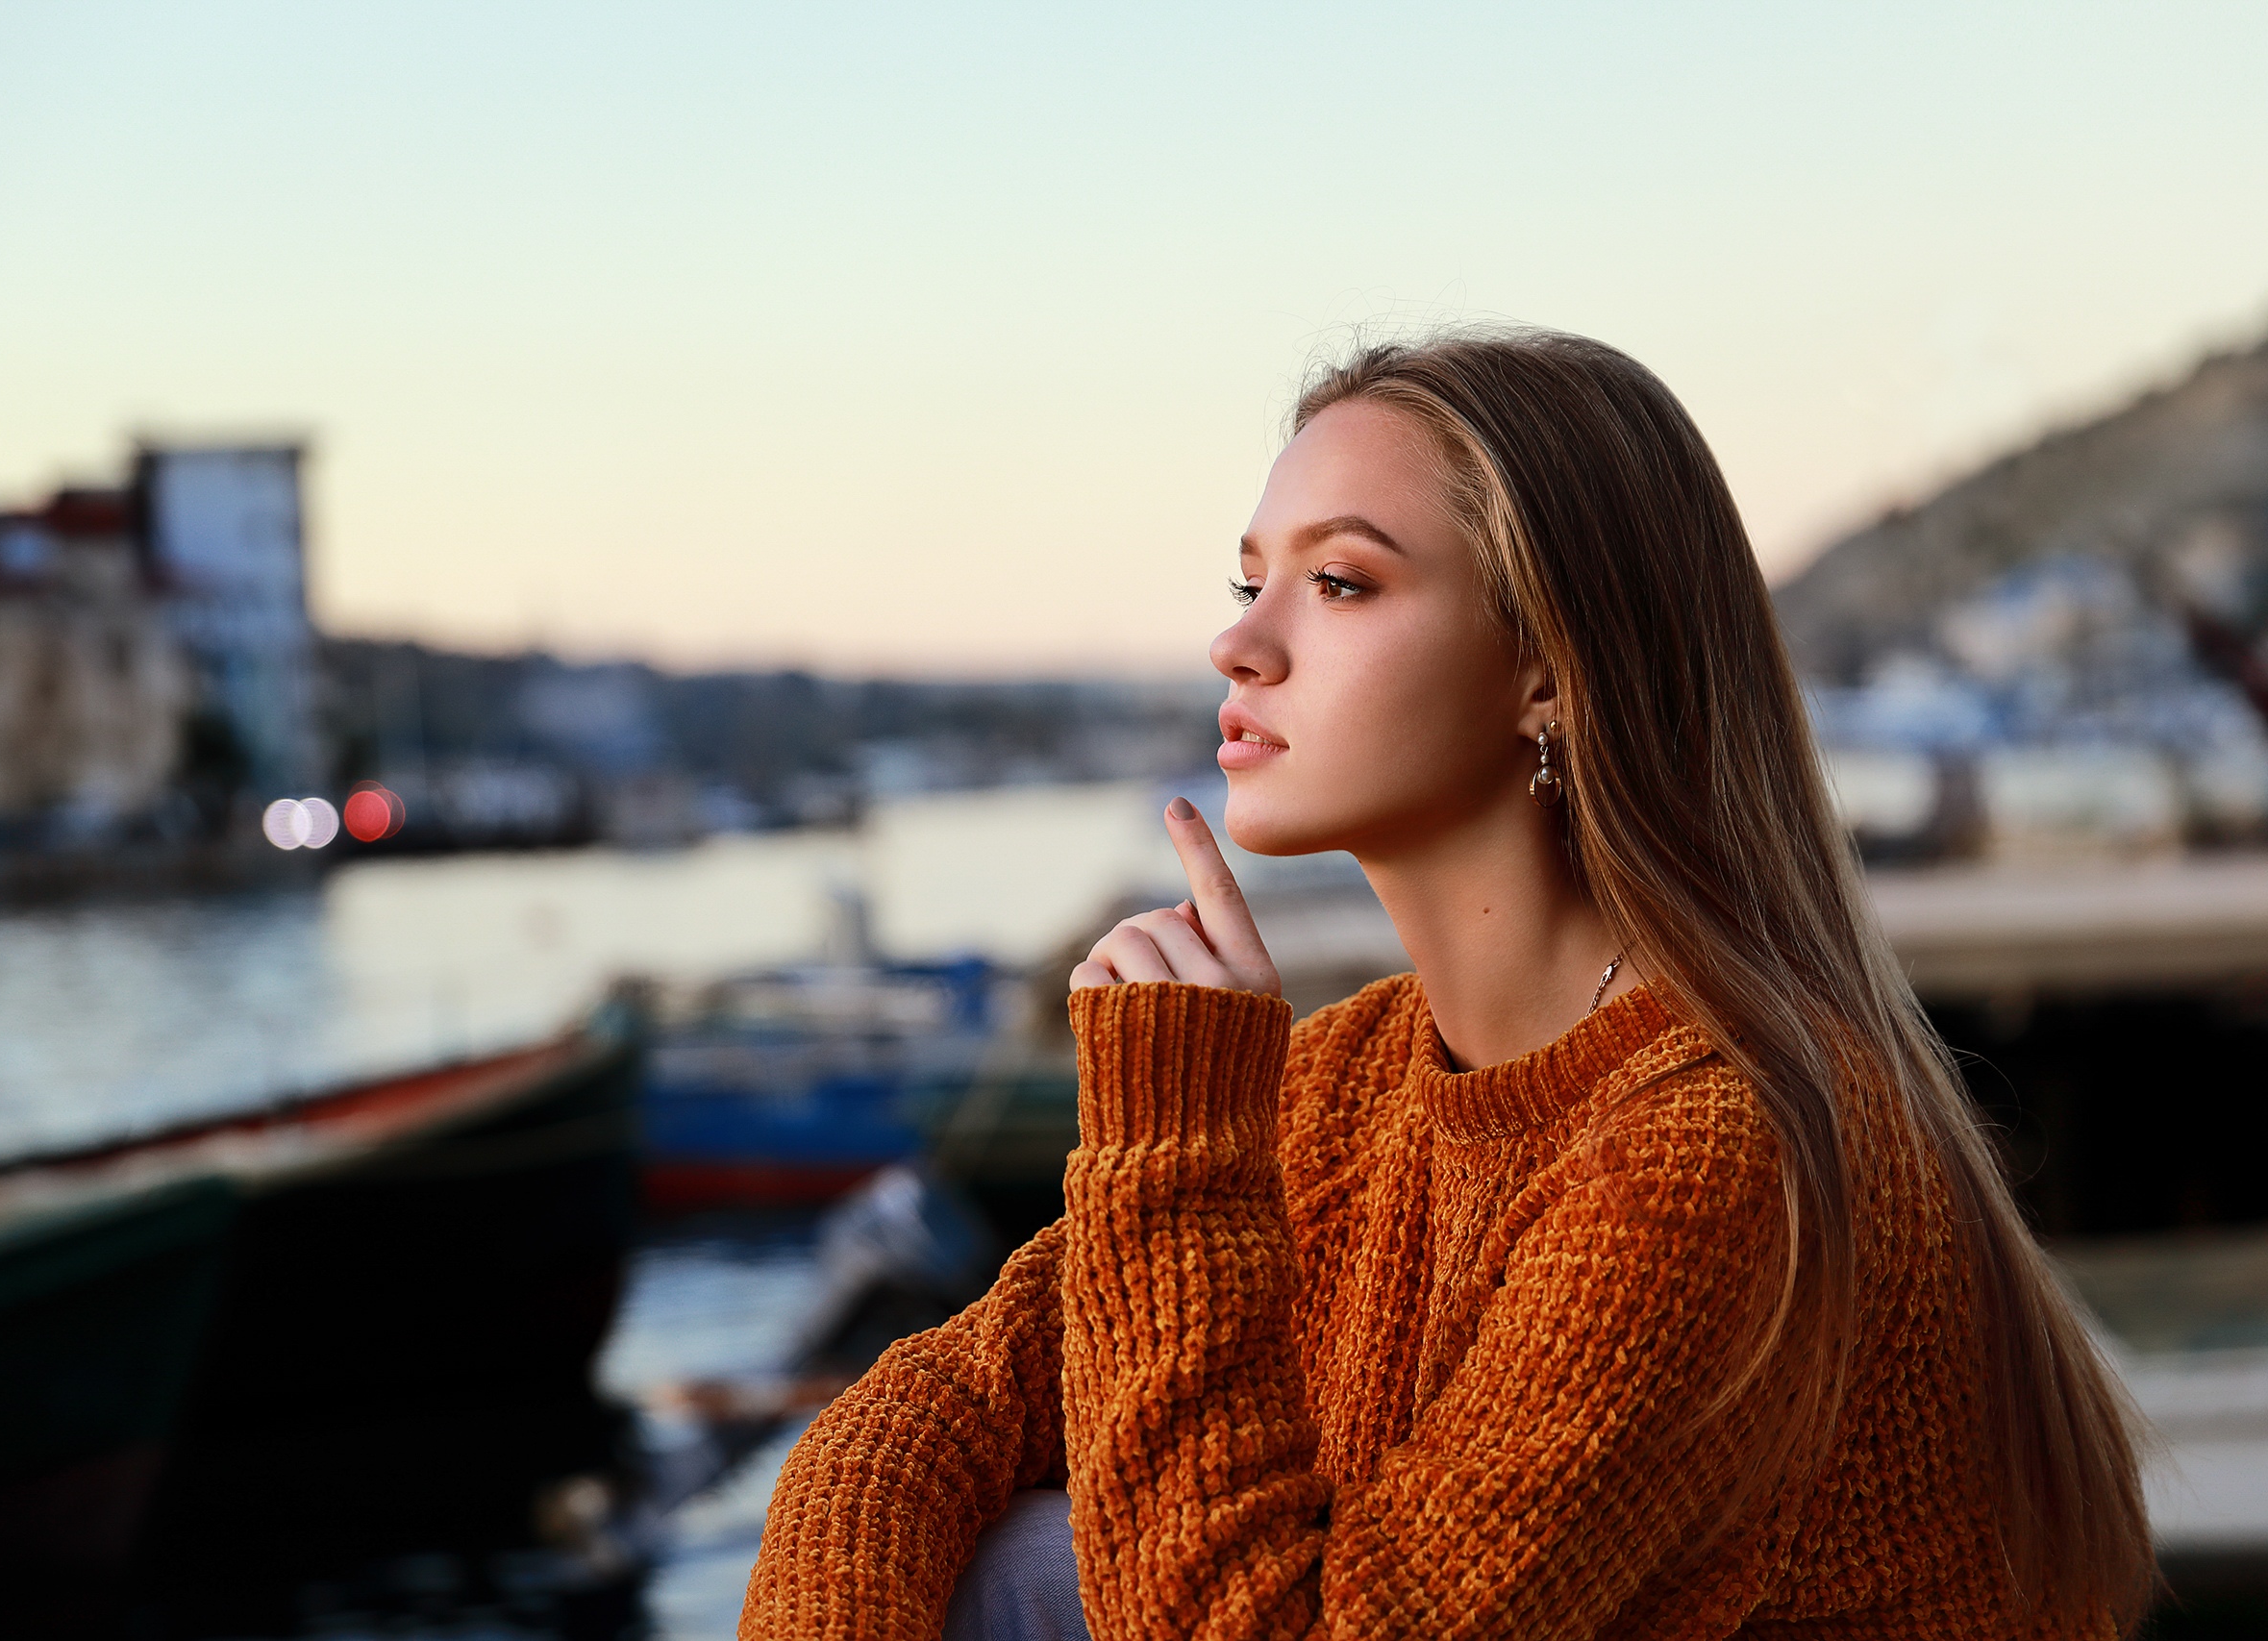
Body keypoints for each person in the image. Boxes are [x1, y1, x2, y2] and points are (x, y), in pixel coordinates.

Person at [738, 330, 2154, 1639]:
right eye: (1252, 582)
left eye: (1342, 582)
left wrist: (1174, 1150)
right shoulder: (1349, 1078)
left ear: (1547, 671)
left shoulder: (1712, 1155)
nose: (1241, 643)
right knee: (992, 1550)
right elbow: (897, 1430)